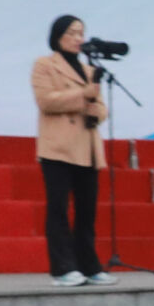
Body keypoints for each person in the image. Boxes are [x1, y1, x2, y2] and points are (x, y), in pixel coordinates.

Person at [32, 15, 112, 285]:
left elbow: (101, 107)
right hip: (58, 148)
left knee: (87, 211)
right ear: (58, 36)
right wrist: (84, 96)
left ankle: (89, 266)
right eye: (72, 33)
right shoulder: (45, 65)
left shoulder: (89, 70)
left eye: (81, 33)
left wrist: (97, 112)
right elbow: (46, 101)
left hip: (87, 148)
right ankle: (62, 269)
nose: (79, 38)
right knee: (58, 209)